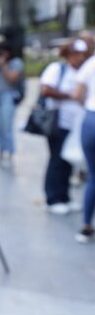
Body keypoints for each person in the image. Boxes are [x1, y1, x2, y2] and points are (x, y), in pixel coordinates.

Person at [38, 40, 88, 215]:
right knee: (57, 160)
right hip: (58, 123)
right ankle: (53, 198)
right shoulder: (57, 69)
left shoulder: (82, 71)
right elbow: (45, 90)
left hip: (75, 124)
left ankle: (65, 197)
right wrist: (69, 95)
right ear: (68, 55)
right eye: (75, 54)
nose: (79, 58)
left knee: (68, 161)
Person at [0, 41, 24, 166]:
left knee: (7, 127)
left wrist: (3, 66)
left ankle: (10, 154)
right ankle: (1, 153)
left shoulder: (16, 62)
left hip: (8, 96)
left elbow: (12, 79)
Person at [73, 46, 95, 243]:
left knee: (92, 176)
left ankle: (86, 225)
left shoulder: (90, 64)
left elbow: (77, 94)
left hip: (91, 120)